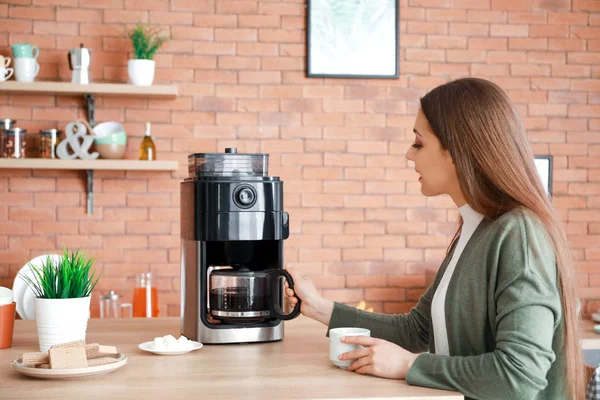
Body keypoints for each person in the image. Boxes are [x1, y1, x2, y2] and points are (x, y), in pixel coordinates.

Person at [284, 77, 584, 400]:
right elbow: (417, 330)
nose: (409, 155)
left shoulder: (518, 235)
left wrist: (410, 365)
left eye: (419, 143)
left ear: (456, 151)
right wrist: (316, 307)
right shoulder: (474, 228)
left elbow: (519, 376)